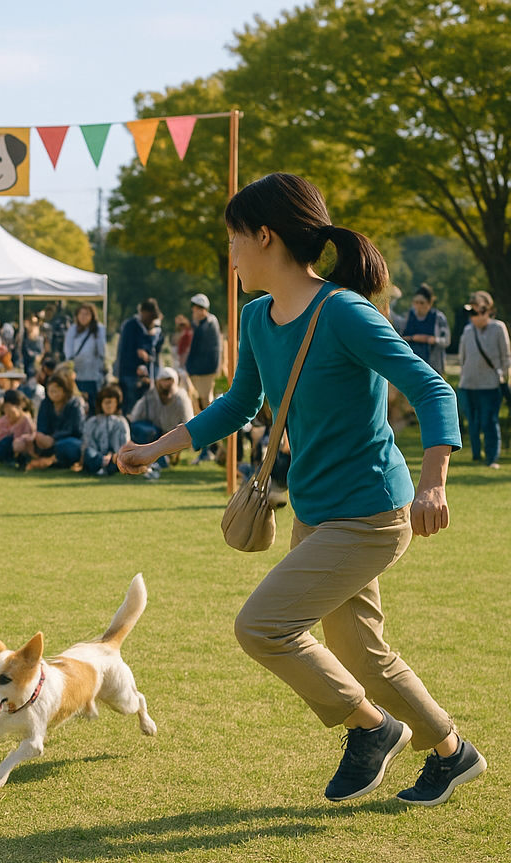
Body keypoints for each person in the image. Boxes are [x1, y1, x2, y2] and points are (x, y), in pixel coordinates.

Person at [120, 171, 483, 805]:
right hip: (313, 513)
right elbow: (238, 405)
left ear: (265, 237)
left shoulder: (344, 311)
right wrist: (156, 447)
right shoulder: (257, 317)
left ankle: (373, 730)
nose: (229, 253)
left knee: (262, 625)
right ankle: (453, 753)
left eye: (234, 238)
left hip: (373, 512)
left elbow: (432, 387)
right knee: (362, 654)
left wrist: (434, 482)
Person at [459, 292, 510, 469]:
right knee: (473, 421)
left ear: (487, 310)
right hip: (468, 384)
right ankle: (475, 454)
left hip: (490, 385)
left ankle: (492, 458)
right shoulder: (467, 330)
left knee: (489, 421)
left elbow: (506, 356)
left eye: (477, 311)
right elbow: (462, 357)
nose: (473, 317)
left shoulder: (498, 328)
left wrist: (503, 376)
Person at [127, 366, 197, 480]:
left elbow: (189, 424)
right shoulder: (150, 396)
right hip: (152, 433)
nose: (166, 384)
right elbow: (135, 416)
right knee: (147, 431)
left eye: (169, 380)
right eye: (163, 380)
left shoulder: (181, 399)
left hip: (173, 435)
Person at [26, 375, 87, 470]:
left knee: (67, 445)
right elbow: (41, 426)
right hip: (47, 442)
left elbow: (76, 429)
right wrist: (42, 437)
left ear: (65, 390)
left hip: (69, 440)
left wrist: (54, 439)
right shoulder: (45, 403)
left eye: (57, 390)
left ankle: (52, 460)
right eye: (51, 391)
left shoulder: (74, 404)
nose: (54, 393)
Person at [116, 298, 163, 408]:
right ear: (143, 312)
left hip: (146, 374)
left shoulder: (153, 329)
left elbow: (157, 350)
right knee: (132, 406)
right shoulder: (131, 326)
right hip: (130, 373)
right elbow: (127, 351)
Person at [62, 303, 106, 414]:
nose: (84, 317)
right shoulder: (72, 330)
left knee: (93, 405)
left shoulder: (99, 329)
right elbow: (68, 351)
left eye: (87, 314)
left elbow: (102, 350)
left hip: (93, 375)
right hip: (77, 374)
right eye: (81, 314)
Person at [185, 293, 224, 413]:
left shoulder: (207, 325)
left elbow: (198, 347)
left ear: (202, 309)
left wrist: (190, 367)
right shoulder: (210, 322)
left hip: (203, 370)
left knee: (204, 400)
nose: (193, 312)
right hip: (204, 369)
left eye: (195, 310)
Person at [400, 284, 450, 377]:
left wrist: (433, 340)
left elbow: (446, 340)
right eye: (416, 302)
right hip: (411, 366)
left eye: (422, 302)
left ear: (429, 303)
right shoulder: (408, 317)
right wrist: (413, 338)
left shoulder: (438, 318)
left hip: (433, 367)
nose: (418, 305)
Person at [80, 383, 129, 476]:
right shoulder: (92, 421)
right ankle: (100, 465)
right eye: (106, 402)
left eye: (112, 402)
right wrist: (101, 457)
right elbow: (88, 441)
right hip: (96, 455)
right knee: (89, 453)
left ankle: (107, 467)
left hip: (115, 457)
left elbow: (125, 443)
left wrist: (112, 454)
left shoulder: (121, 422)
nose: (109, 406)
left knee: (121, 457)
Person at [0, 388, 37, 467]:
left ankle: (22, 459)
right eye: (6, 410)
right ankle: (8, 459)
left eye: (11, 411)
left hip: (21, 445)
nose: (8, 414)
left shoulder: (25, 420)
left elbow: (30, 435)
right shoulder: (2, 420)